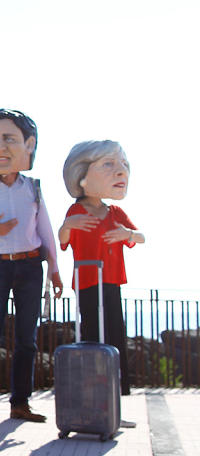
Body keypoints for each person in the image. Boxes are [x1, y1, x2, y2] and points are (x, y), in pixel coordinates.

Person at [0, 109, 63, 428]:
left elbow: (46, 231)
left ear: (27, 145)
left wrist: (55, 269)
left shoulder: (33, 188)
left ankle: (20, 404)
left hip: (31, 266)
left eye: (8, 138)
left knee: (27, 339)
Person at [59, 140, 143, 399]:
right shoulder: (75, 210)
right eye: (108, 164)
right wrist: (68, 224)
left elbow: (139, 237)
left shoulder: (115, 212)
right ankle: (93, 395)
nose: (120, 171)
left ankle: (117, 396)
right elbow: (63, 241)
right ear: (81, 176)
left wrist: (126, 233)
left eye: (123, 165)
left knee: (116, 335)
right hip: (87, 282)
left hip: (111, 282)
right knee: (92, 335)